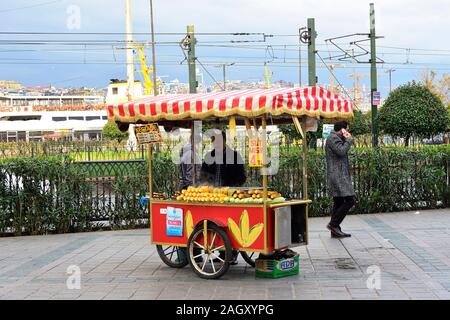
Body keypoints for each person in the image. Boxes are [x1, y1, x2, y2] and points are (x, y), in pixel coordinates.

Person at [200, 129, 246, 264]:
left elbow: (241, 177)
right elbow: (203, 175)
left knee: (230, 223)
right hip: (212, 196)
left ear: (225, 141)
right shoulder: (209, 156)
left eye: (219, 141)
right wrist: (204, 185)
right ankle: (219, 250)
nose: (217, 144)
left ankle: (230, 252)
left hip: (228, 196)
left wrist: (231, 188)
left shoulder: (235, 156)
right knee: (214, 222)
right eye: (214, 141)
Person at [325, 121, 356, 238]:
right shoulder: (333, 138)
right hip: (338, 175)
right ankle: (333, 224)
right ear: (342, 130)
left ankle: (335, 229)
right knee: (350, 200)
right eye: (347, 130)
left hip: (339, 174)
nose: (348, 132)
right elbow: (341, 151)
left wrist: (345, 139)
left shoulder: (336, 137)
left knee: (338, 201)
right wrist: (348, 140)